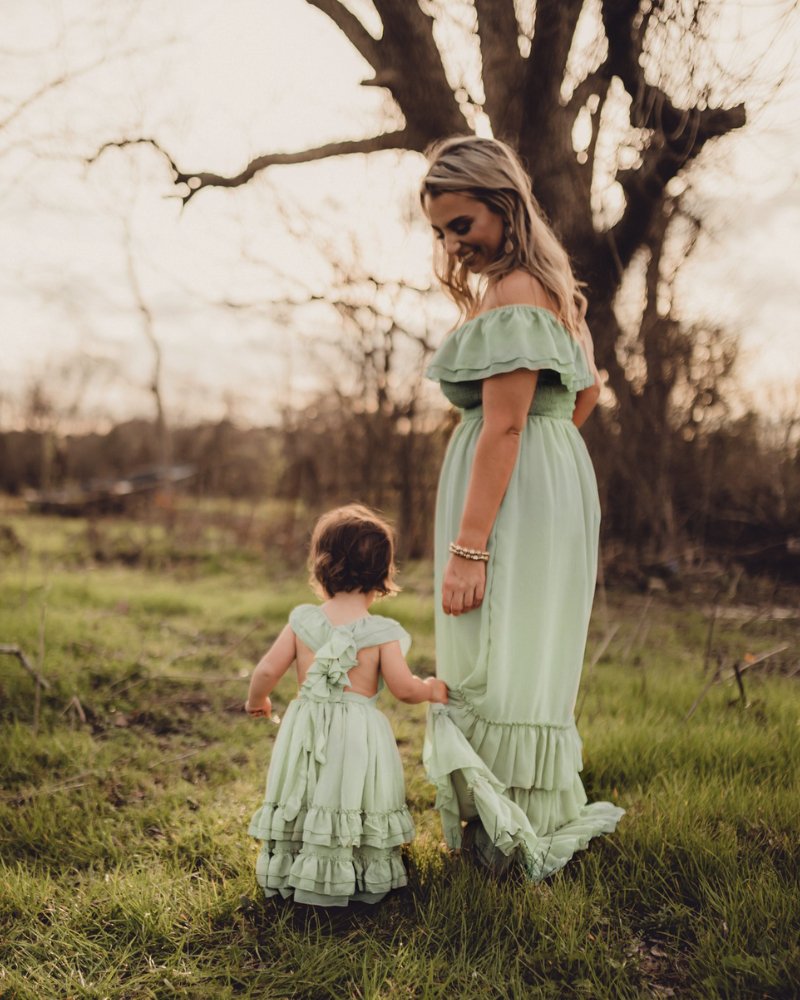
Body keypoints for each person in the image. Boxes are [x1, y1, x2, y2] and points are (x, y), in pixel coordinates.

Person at [419, 135, 624, 880]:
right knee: (525, 648)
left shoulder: (514, 296)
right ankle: (512, 823)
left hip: (505, 500)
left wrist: (472, 545)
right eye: (440, 231)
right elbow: (588, 392)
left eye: (462, 225)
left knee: (495, 649)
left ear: (504, 207)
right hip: (541, 490)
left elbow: (505, 423)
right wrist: (549, 465)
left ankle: (502, 843)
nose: (452, 245)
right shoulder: (559, 291)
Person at [246, 503, 448, 907]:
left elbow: (267, 669)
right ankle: (353, 868)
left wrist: (259, 699)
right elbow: (403, 688)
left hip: (306, 727)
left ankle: (297, 866)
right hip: (356, 734)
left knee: (306, 792)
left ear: (321, 567)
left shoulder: (303, 621)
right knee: (353, 793)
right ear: (383, 574)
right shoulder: (380, 632)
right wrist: (431, 689)